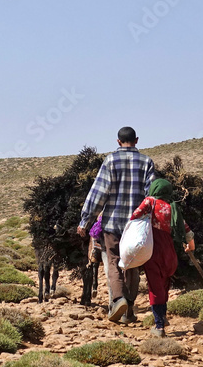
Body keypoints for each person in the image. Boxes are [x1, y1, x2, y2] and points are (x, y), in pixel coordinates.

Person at [78, 126, 156, 324]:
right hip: (136, 226)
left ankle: (118, 298)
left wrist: (86, 221)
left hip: (112, 223)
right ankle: (129, 306)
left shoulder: (110, 160)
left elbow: (98, 193)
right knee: (132, 264)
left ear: (118, 141)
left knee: (113, 261)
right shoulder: (146, 162)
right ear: (136, 140)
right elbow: (151, 196)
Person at [129, 178, 195, 337]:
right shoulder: (173, 208)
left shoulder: (150, 201)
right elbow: (186, 230)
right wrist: (191, 246)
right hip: (170, 253)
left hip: (153, 251)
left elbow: (134, 216)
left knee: (155, 287)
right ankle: (163, 317)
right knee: (164, 284)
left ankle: (159, 326)